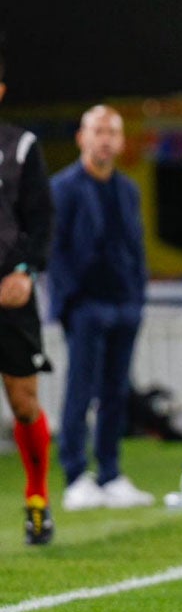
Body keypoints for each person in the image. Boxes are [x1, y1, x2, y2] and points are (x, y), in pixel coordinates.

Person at [49, 105, 155, 510]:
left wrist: (136, 297)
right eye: (98, 131)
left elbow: (134, 246)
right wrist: (71, 300)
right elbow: (55, 251)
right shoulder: (63, 188)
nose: (106, 139)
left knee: (115, 392)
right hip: (86, 306)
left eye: (112, 131)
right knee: (80, 391)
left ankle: (110, 473)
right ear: (82, 138)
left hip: (125, 304)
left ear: (121, 141)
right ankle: (77, 475)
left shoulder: (127, 190)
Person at [0, 51, 56, 544]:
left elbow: (41, 220)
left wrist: (25, 270)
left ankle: (37, 497)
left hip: (9, 294)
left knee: (22, 401)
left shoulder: (20, 147)